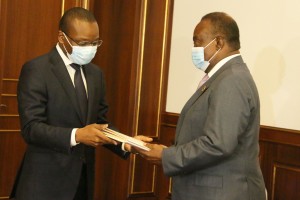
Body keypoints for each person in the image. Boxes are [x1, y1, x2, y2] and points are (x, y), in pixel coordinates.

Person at [10, 7, 151, 200]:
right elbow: (31, 128)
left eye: (95, 43)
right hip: (43, 184)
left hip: (82, 182)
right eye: (83, 43)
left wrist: (127, 143)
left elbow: (101, 122)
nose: (90, 49)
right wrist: (77, 135)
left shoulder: (96, 74)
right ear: (62, 38)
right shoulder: (37, 70)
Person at [132, 12, 266, 200]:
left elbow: (218, 143)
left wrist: (167, 156)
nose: (194, 48)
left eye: (197, 41)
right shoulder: (223, 77)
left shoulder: (232, 80)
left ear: (219, 43)